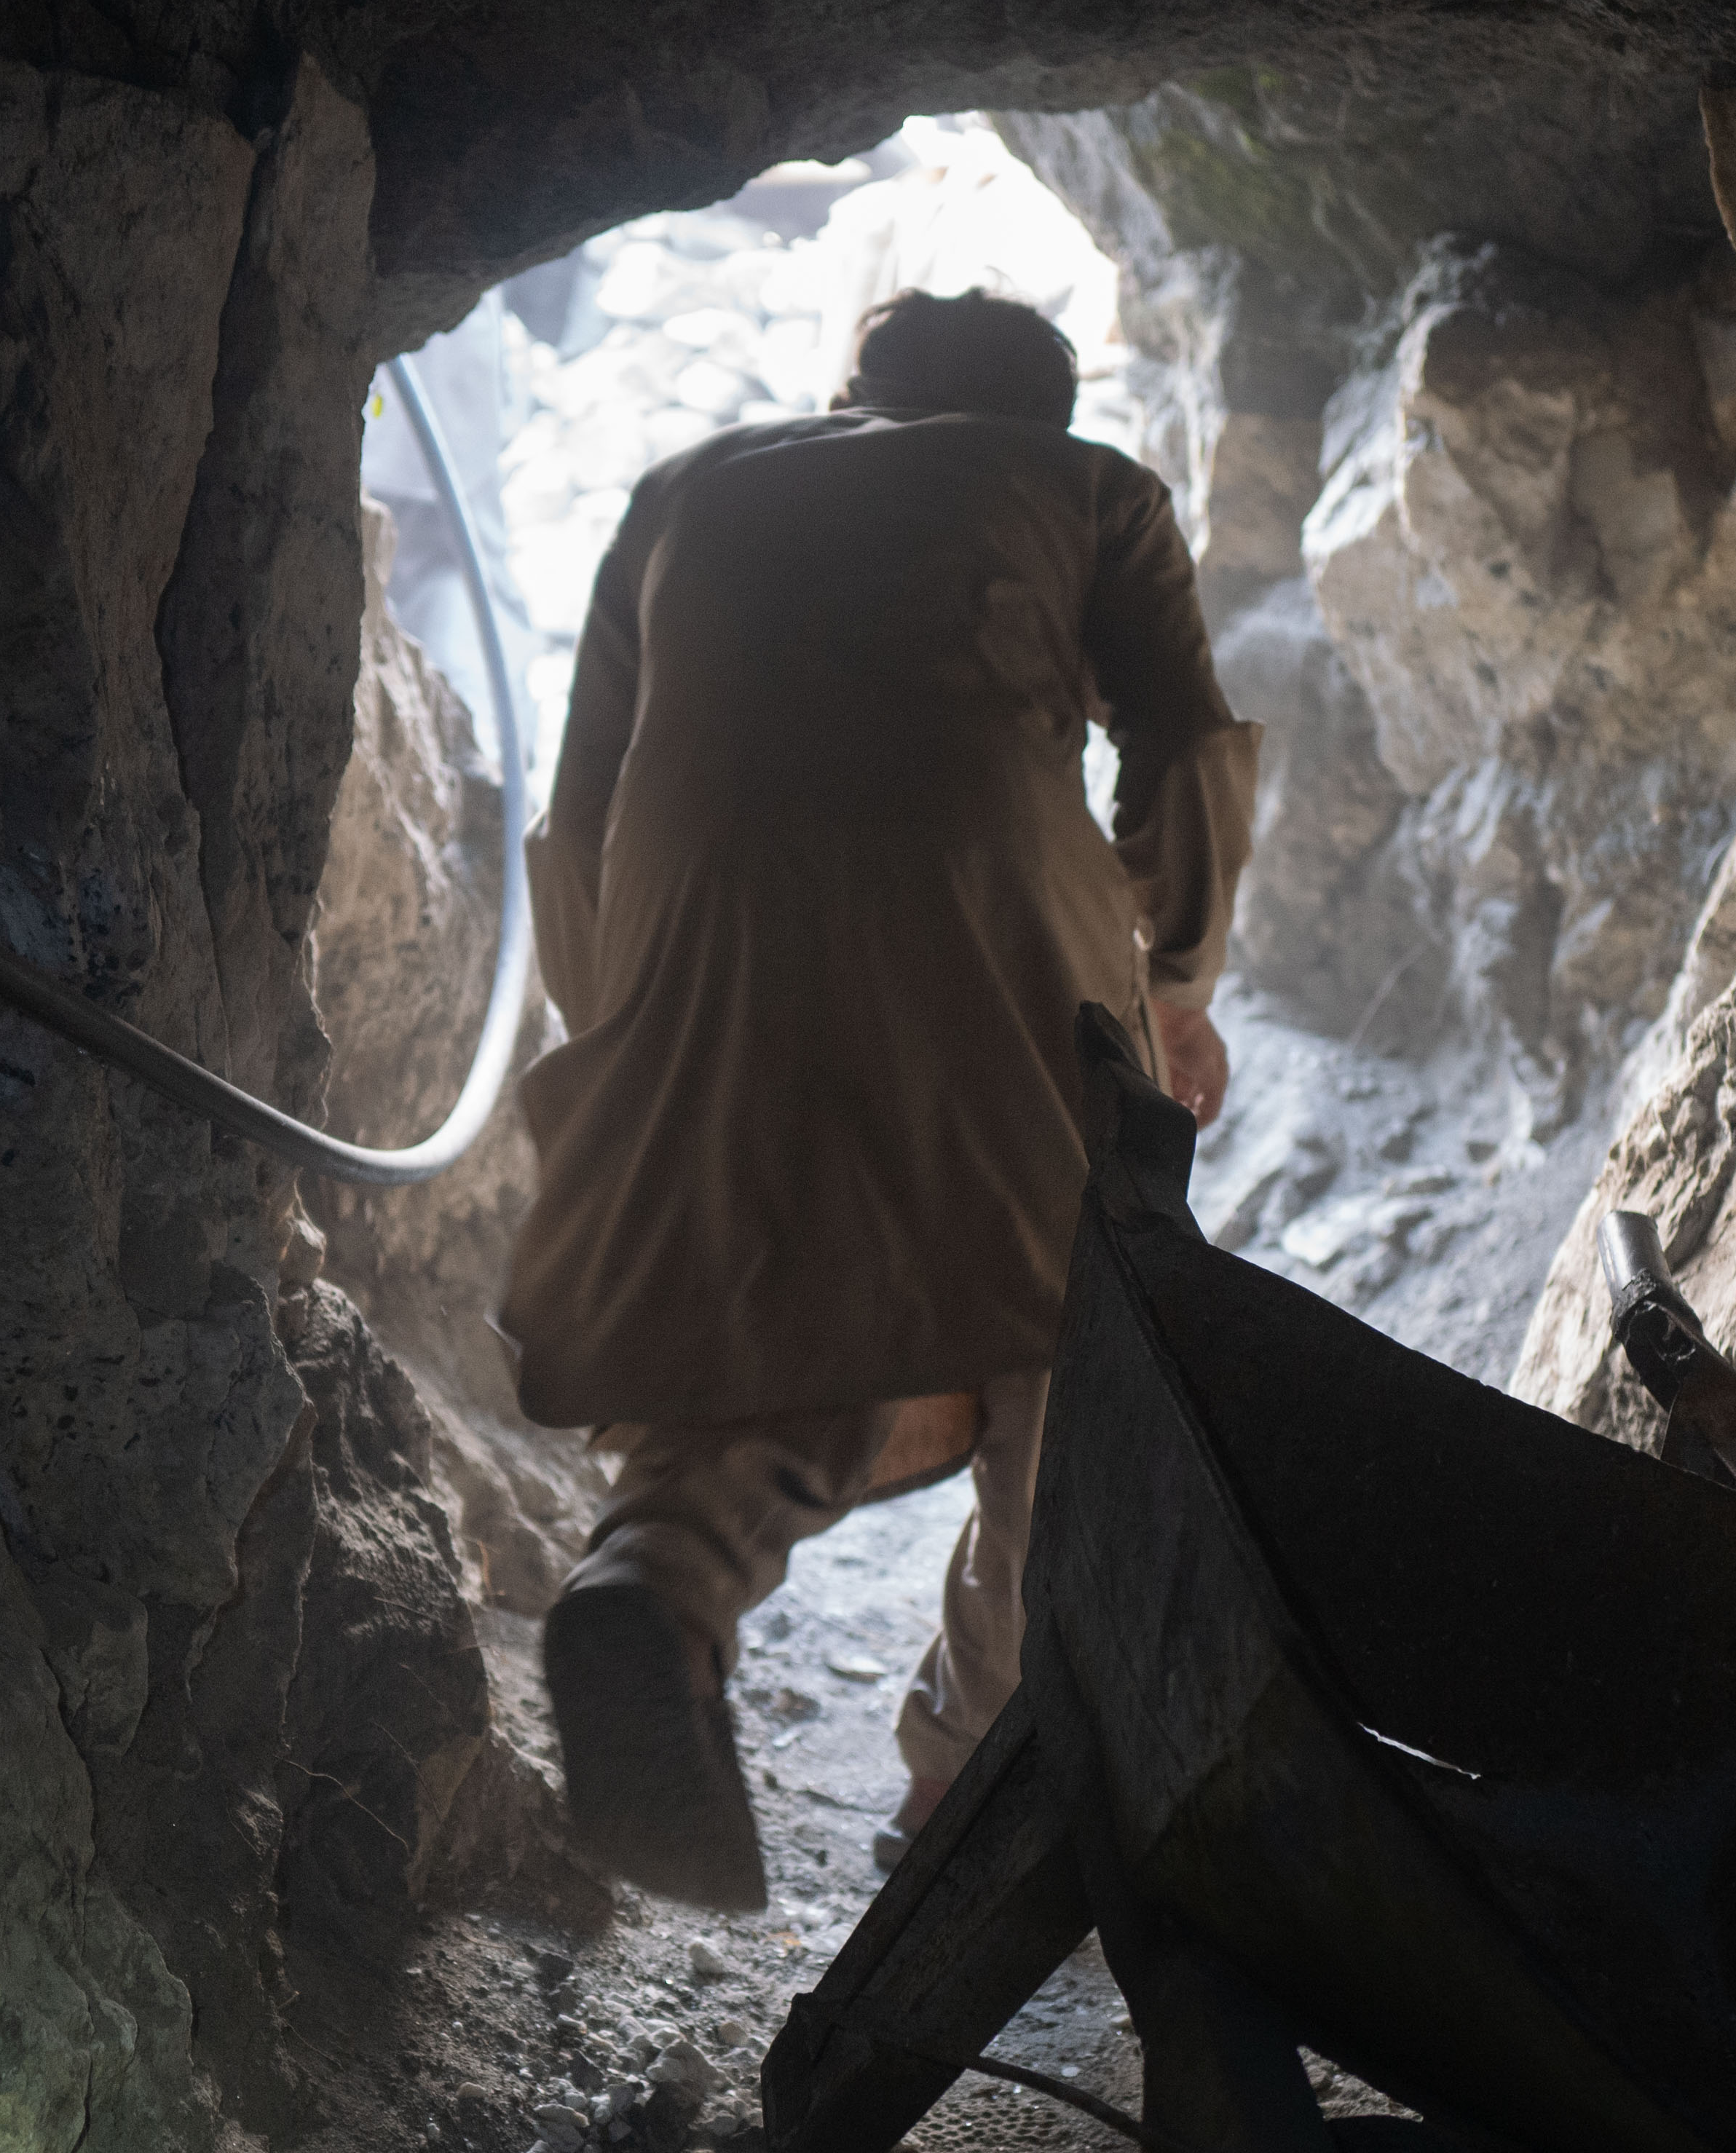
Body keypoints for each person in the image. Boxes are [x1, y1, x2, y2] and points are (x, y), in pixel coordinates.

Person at [494, 288, 1259, 1907]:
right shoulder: (1089, 486)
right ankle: (970, 1778)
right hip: (993, 930)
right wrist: (1174, 976)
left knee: (769, 1298)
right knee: (1061, 1337)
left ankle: (660, 1577)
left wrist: (637, 1050)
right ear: (1033, 415)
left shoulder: (687, 487)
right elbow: (1184, 749)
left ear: (850, 396)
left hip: (691, 936)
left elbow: (573, 827)